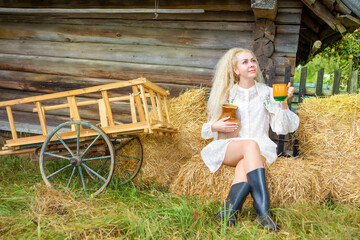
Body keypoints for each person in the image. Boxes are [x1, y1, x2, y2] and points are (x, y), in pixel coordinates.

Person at [201, 48, 299, 231]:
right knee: (250, 145)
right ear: (236, 70)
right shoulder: (227, 93)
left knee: (245, 163)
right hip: (229, 146)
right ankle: (263, 213)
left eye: (253, 60)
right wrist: (216, 126)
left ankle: (227, 214)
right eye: (245, 62)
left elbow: (282, 128)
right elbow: (207, 128)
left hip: (259, 148)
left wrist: (284, 101)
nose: (251, 64)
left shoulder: (267, 93)